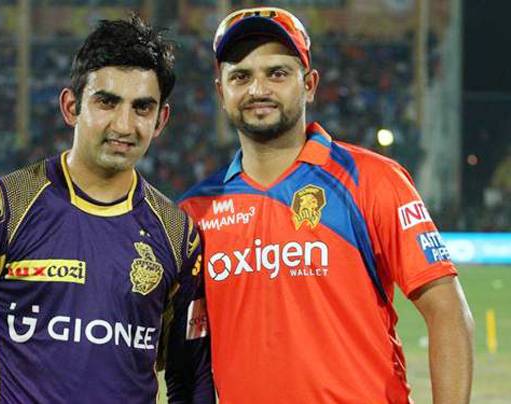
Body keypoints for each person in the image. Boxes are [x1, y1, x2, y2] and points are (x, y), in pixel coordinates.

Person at [179, 7, 473, 404]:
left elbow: (447, 312)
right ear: (221, 92)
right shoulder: (197, 211)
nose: (258, 89)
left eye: (277, 73)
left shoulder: (373, 180)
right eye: (241, 76)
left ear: (310, 85)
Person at [0, 16, 214, 404]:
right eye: (106, 102)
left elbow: (189, 377)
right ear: (71, 107)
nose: (124, 125)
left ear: (161, 121)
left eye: (142, 108)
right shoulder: (3, 209)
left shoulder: (177, 236)